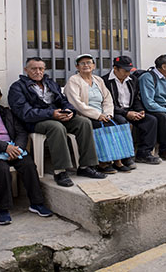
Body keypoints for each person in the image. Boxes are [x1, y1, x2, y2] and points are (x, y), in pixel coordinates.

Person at [8, 57, 106, 187]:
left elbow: (63, 100)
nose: (38, 71)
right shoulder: (17, 87)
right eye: (34, 69)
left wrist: (69, 111)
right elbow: (25, 113)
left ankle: (86, 166)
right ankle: (60, 171)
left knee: (83, 122)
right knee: (56, 127)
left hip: (56, 115)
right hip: (35, 122)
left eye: (41, 68)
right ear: (26, 70)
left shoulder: (50, 83)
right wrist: (51, 114)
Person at [0, 83, 52, 225]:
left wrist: (17, 148)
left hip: (13, 150)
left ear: (0, 96)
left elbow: (21, 132)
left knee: (28, 164)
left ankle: (37, 203)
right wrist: (4, 147)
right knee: (2, 169)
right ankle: (3, 209)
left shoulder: (7, 112)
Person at [65, 54, 133, 174]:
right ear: (77, 66)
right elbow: (76, 103)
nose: (86, 65)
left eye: (89, 62)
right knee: (103, 127)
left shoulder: (98, 80)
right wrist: (97, 115)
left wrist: (107, 114)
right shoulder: (74, 80)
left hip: (103, 114)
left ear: (93, 65)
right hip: (85, 115)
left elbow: (108, 99)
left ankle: (119, 159)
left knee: (120, 123)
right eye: (82, 63)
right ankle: (103, 162)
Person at [102, 56, 165, 165]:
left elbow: (136, 98)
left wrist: (140, 110)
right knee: (122, 122)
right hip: (115, 111)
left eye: (129, 71)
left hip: (130, 109)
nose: (127, 73)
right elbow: (108, 103)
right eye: (124, 71)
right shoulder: (105, 81)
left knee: (151, 120)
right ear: (115, 69)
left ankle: (144, 153)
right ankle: (126, 156)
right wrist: (126, 113)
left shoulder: (132, 80)